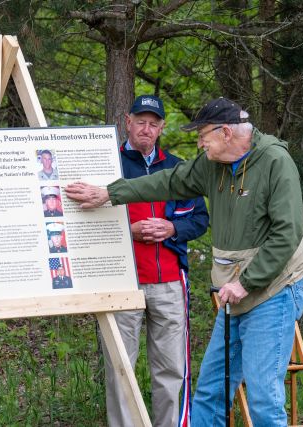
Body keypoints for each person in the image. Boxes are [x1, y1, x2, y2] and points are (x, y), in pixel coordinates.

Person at [66, 97, 303, 427]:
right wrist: (109, 193)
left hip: (273, 290)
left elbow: (287, 233)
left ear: (225, 133)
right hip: (235, 290)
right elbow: (167, 181)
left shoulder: (275, 162)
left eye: (203, 135)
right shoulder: (211, 164)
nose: (199, 143)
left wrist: (246, 282)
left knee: (263, 397)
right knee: (210, 392)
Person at [100, 95, 209, 427]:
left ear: (161, 128)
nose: (146, 129)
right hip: (123, 282)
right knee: (120, 368)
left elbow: (200, 220)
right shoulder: (107, 165)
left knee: (171, 368)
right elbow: (86, 224)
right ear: (128, 122)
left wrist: (172, 227)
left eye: (153, 123)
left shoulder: (179, 168)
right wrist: (127, 231)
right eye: (140, 122)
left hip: (169, 282)